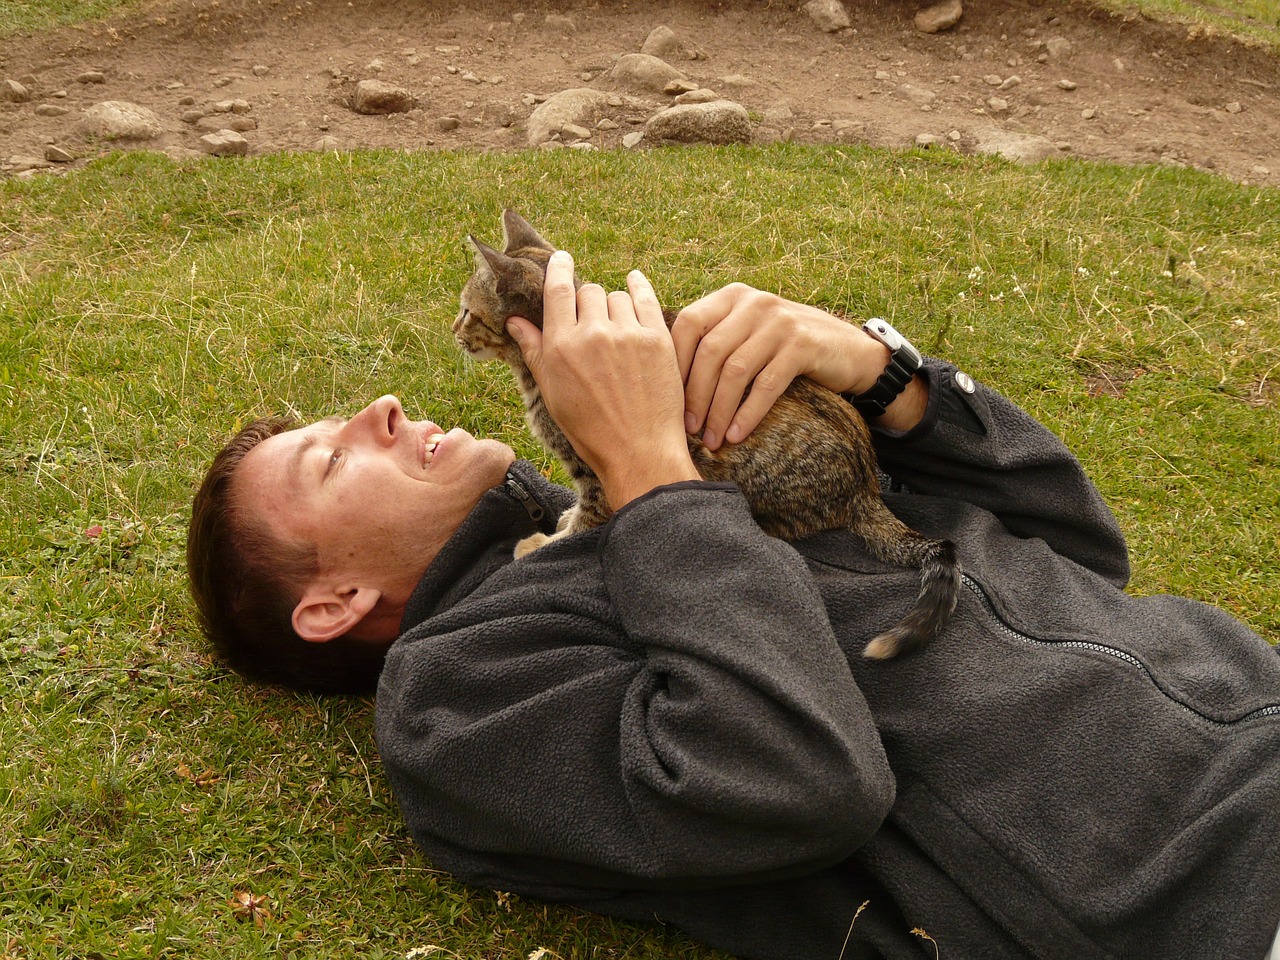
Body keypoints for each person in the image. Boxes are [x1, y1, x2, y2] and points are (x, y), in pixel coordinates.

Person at [188, 251, 1280, 960]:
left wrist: (880, 375)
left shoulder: (702, 485)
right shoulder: (460, 693)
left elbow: (1079, 550)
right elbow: (796, 783)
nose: (381, 407)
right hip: (1208, 893)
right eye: (331, 460)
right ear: (333, 603)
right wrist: (648, 471)